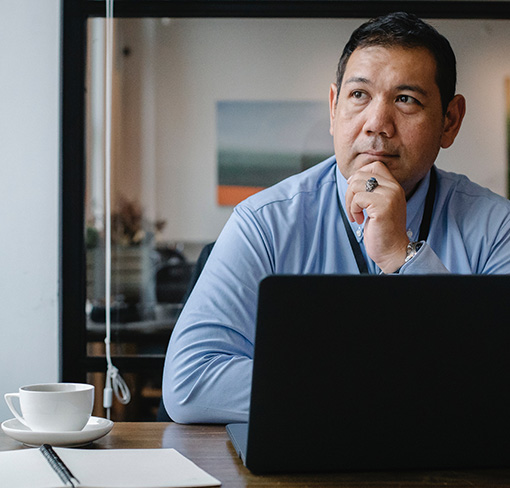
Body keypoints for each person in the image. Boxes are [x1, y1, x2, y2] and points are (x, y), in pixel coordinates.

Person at [162, 12, 510, 424]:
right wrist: (386, 385)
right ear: (333, 107)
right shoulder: (264, 223)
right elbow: (190, 382)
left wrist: (403, 255)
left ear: (449, 121)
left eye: (406, 100)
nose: (377, 124)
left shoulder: (495, 227)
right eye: (359, 96)